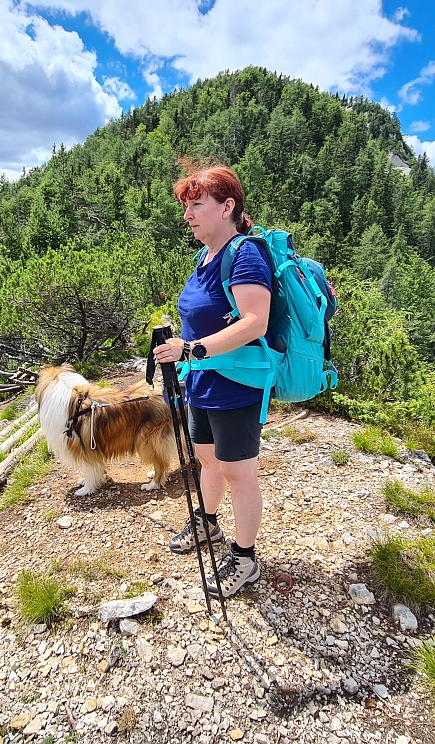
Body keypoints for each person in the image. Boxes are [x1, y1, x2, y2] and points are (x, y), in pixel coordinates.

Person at [153, 163, 272, 599]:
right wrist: (178, 345)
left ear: (228, 207)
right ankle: (207, 523)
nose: (187, 214)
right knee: (207, 460)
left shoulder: (245, 254)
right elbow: (203, 320)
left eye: (196, 205)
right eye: (185, 206)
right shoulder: (204, 258)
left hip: (237, 383)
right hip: (200, 382)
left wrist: (192, 349)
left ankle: (245, 559)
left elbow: (255, 322)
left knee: (239, 472)